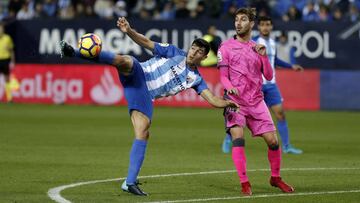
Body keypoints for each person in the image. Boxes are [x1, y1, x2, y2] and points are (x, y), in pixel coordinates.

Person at [59, 17, 239, 196]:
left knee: (143, 132)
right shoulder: (173, 52)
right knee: (127, 61)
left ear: (205, 56)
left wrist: (227, 103)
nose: (194, 52)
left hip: (143, 94)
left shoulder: (197, 79)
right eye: (193, 48)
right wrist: (128, 30)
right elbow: (146, 42)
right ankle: (73, 52)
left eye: (199, 51)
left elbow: (212, 99)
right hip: (139, 75)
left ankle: (129, 182)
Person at [217, 8, 294, 196]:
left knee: (273, 141)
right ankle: (244, 182)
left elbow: (268, 75)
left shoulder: (256, 47)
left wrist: (264, 56)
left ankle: (275, 178)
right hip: (235, 101)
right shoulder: (225, 47)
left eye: (243, 20)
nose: (238, 23)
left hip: (256, 101)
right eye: (236, 20)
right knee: (238, 138)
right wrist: (230, 88)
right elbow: (223, 77)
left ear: (251, 24)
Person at [222, 16, 304, 155]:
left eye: (268, 24)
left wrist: (291, 66)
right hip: (255, 87)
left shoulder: (272, 43)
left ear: (271, 27)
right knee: (242, 117)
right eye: (263, 25)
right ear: (258, 27)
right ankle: (229, 138)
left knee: (280, 115)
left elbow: (274, 60)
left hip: (271, 85)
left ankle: (286, 146)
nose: (265, 27)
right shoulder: (252, 43)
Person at [0, 23, 15, 103]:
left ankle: (9, 98)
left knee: (7, 80)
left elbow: (11, 50)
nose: (0, 31)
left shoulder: (7, 38)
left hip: (5, 60)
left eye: (1, 29)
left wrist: (12, 61)